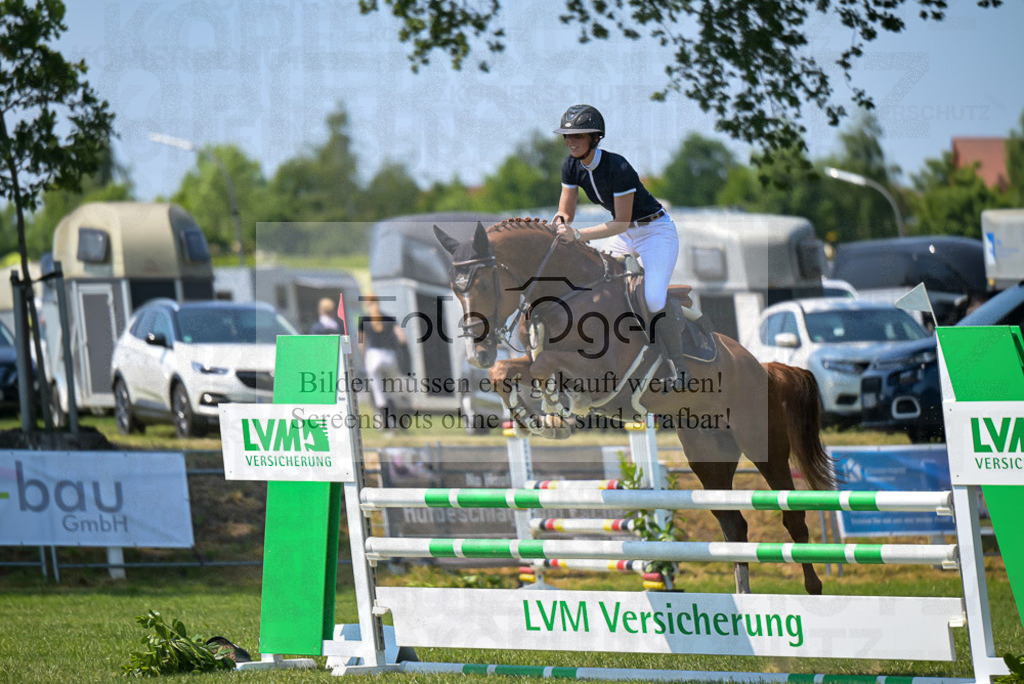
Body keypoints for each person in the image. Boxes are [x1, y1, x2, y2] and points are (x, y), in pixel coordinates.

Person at [551, 103, 686, 376]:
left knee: (653, 299)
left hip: (655, 232)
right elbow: (566, 211)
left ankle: (676, 364)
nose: (571, 141)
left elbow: (621, 221)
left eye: (578, 135)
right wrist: (559, 223)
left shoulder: (619, 167)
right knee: (595, 286)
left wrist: (577, 235)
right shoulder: (570, 167)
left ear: (594, 138)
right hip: (625, 235)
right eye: (567, 136)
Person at [358, 297, 407, 426]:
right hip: (389, 356)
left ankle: (385, 423)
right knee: (391, 392)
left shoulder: (365, 320)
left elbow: (361, 344)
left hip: (373, 357)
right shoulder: (389, 319)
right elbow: (402, 339)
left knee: (379, 392)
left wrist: (364, 359)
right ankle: (394, 421)